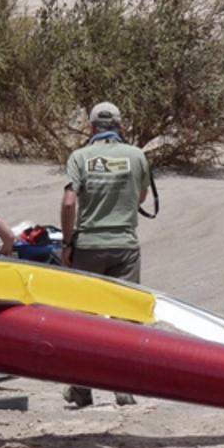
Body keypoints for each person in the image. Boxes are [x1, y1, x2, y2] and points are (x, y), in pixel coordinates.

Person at [60, 101, 151, 408]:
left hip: (88, 246)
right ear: (119, 125)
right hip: (124, 245)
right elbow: (141, 196)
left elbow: (69, 202)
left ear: (91, 127)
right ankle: (122, 386)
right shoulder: (136, 155)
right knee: (126, 319)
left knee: (84, 321)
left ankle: (81, 388)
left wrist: (67, 244)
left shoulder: (80, 157)